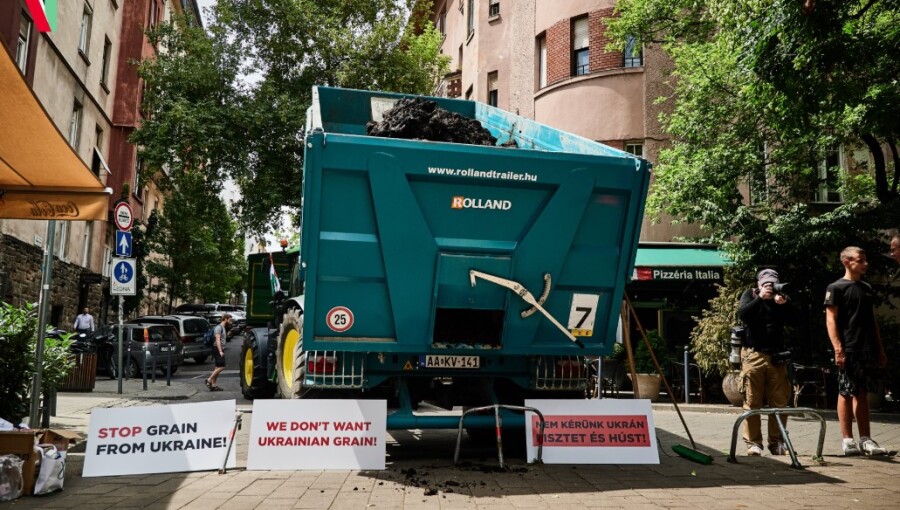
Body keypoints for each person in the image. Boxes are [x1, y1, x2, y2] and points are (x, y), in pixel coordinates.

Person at [825, 246, 888, 456]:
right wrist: (838, 348)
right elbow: (831, 319)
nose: (865, 264)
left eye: (865, 259)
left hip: (866, 348)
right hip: (848, 347)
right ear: (847, 262)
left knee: (861, 393)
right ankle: (847, 440)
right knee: (845, 391)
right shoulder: (835, 288)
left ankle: (865, 439)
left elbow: (872, 321)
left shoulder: (866, 288)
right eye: (860, 260)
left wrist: (879, 348)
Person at [737, 269, 793, 456]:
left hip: (777, 356)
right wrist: (760, 298)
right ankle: (753, 443)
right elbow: (743, 314)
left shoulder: (782, 298)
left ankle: (777, 442)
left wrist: (784, 305)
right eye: (766, 283)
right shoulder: (750, 294)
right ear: (759, 283)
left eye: (772, 283)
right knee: (752, 401)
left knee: (779, 402)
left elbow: (797, 320)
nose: (769, 287)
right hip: (754, 355)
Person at [205, 314, 232, 392]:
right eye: (230, 320)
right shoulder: (218, 327)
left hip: (219, 348)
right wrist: (220, 351)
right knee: (222, 366)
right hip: (217, 348)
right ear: (225, 319)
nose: (230, 322)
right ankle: (209, 380)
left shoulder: (223, 328)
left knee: (217, 367)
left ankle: (214, 385)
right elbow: (217, 340)